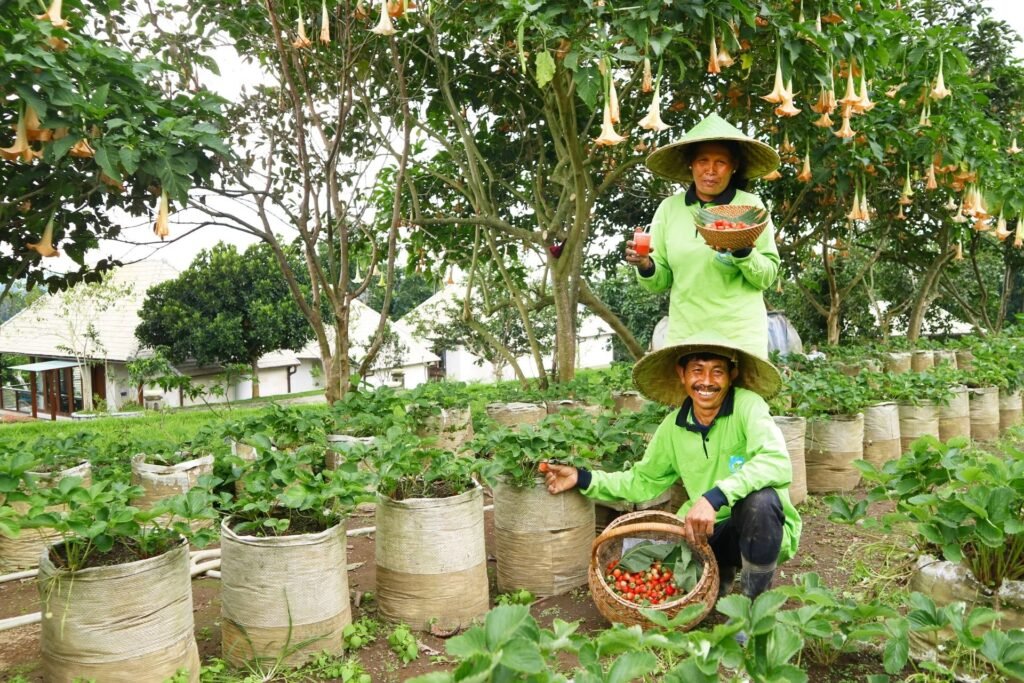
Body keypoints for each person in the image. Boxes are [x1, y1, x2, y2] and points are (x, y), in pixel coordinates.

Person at [544, 333, 801, 602]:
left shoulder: (748, 406)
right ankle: (720, 569)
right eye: (697, 371)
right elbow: (642, 480)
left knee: (760, 502)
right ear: (682, 374)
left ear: (732, 374)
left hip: (761, 528)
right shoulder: (673, 427)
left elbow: (775, 461)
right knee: (669, 557)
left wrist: (714, 497)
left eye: (717, 372)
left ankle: (754, 606)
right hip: (705, 531)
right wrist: (583, 478)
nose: (706, 381)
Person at [626, 113, 782, 357]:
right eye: (702, 161)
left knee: (743, 397)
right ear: (691, 164)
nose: (710, 170)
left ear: (734, 167)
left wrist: (742, 250)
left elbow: (767, 276)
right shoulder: (669, 209)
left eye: (720, 162)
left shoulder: (751, 206)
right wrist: (646, 265)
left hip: (740, 336)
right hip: (687, 336)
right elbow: (660, 281)